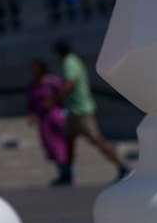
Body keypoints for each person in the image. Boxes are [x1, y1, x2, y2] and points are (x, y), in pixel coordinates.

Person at [53, 40, 127, 180]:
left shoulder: (69, 62)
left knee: (97, 140)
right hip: (73, 110)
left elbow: (70, 83)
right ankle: (67, 174)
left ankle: (121, 166)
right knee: (69, 141)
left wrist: (57, 98)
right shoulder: (73, 61)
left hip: (81, 110)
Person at [26, 59, 71, 186]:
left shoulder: (51, 81)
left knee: (60, 144)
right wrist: (31, 114)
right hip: (43, 118)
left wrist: (54, 101)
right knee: (50, 145)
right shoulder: (33, 85)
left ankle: (67, 172)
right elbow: (31, 102)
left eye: (36, 68)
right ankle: (62, 172)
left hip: (55, 114)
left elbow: (63, 92)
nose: (34, 71)